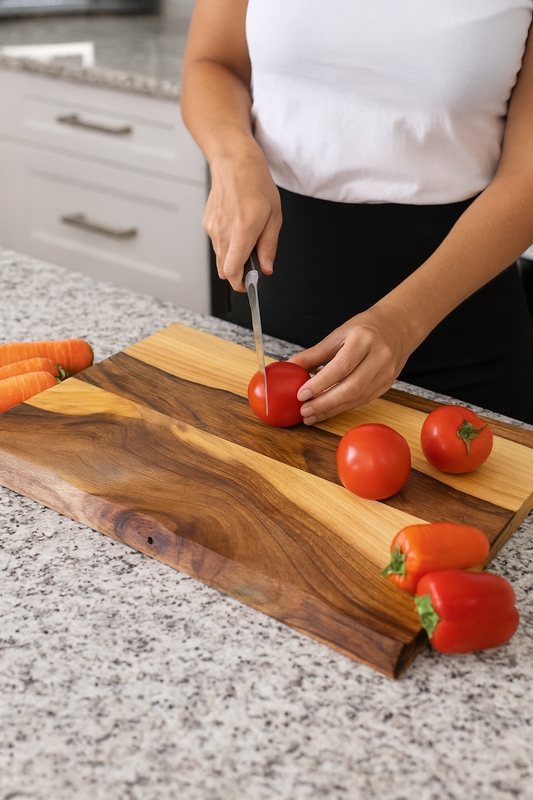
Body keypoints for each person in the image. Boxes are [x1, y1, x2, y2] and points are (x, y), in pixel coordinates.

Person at [181, 0, 533, 425]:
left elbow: (526, 176)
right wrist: (233, 156)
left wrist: (403, 321)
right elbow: (213, 61)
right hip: (271, 315)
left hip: (460, 333)